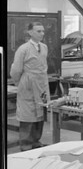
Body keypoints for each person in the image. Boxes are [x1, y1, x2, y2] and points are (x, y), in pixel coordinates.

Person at [10, 21, 50, 151]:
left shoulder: (44, 47)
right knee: (27, 115)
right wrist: (20, 83)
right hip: (28, 84)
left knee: (40, 113)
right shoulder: (23, 49)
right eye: (38, 31)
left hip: (42, 84)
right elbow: (16, 70)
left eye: (43, 31)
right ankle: (26, 145)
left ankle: (36, 142)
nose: (42, 34)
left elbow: (44, 65)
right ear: (30, 32)